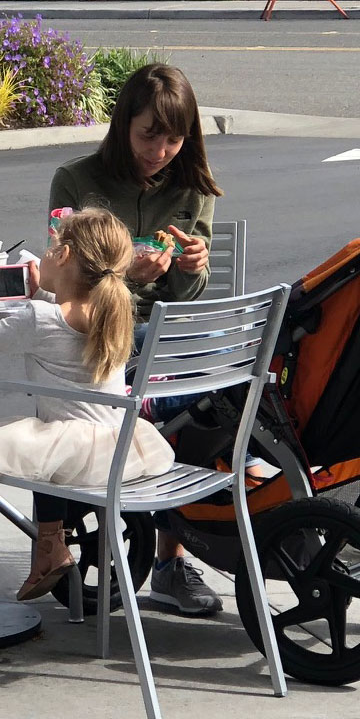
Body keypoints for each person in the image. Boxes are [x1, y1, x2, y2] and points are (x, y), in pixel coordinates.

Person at [0, 209, 175, 600]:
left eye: (50, 248)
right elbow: (60, 319)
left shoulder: (41, 318)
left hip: (74, 447)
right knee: (41, 438)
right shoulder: (114, 311)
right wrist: (40, 287)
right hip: (119, 446)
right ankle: (49, 547)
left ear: (64, 256)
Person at [48, 63, 226, 617]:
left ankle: (173, 561)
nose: (162, 150)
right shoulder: (76, 181)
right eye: (150, 134)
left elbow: (189, 295)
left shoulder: (192, 188)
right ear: (123, 123)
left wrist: (192, 264)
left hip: (161, 340)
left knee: (213, 400)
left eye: (175, 138)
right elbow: (61, 279)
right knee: (184, 394)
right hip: (97, 338)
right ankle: (63, 540)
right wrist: (125, 276)